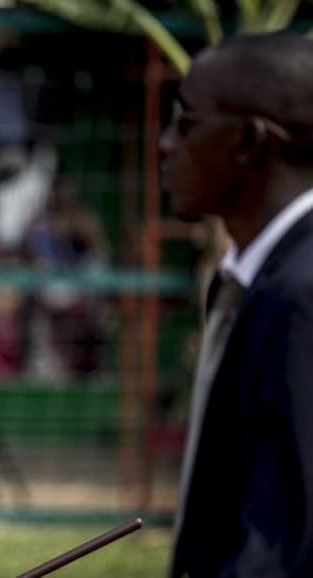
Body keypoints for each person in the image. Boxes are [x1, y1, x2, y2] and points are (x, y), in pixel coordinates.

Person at [159, 33, 313, 577]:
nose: (166, 143)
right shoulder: (252, 278)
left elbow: (284, 538)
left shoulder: (301, 294)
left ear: (249, 141)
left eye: (186, 122)